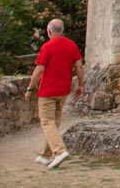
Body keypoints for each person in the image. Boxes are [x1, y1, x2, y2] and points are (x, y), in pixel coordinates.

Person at [24, 18, 84, 169]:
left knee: (47, 122)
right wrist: (80, 85)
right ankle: (45, 155)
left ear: (49, 31)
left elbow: (39, 69)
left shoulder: (47, 46)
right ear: (62, 31)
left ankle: (59, 151)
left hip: (48, 91)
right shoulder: (71, 45)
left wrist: (30, 88)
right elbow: (79, 66)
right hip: (63, 90)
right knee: (54, 122)